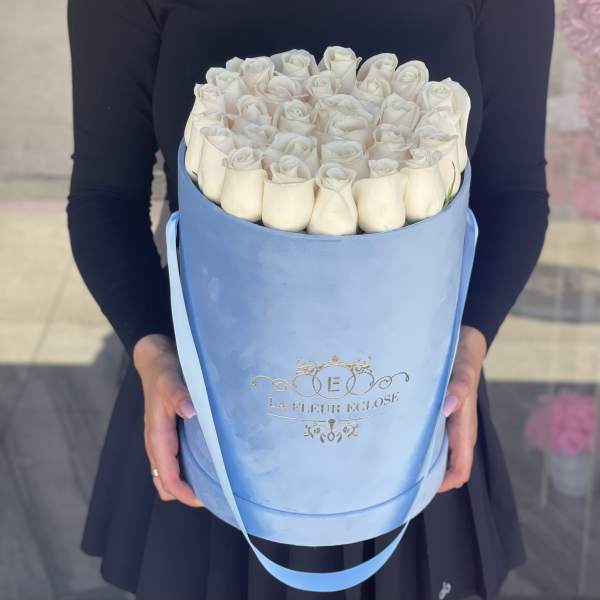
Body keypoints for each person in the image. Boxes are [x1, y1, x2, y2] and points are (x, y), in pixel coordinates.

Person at [66, 0, 554, 598]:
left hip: (413, 404)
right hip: (206, 404)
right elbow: (104, 196)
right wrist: (153, 355)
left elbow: (514, 191)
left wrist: (469, 351)